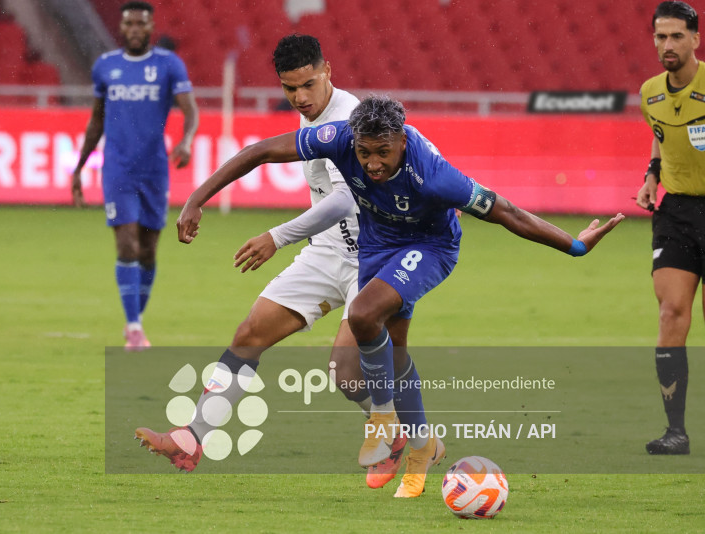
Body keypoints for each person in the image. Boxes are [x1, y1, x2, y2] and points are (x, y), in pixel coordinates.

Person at [170, 95, 623, 494]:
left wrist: (575, 245)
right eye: (364, 153)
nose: (372, 164)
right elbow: (260, 151)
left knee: (363, 313)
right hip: (379, 243)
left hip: (430, 246)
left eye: (383, 153)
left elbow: (508, 213)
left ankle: (384, 422)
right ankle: (423, 445)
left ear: (402, 141)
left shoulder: (436, 177)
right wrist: (196, 199)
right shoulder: (339, 138)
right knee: (384, 356)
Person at [136, 34, 418, 493]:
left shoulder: (350, 119)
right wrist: (196, 198)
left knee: (346, 374)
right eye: (290, 88)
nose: (300, 97)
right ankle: (191, 439)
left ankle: (395, 432)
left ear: (328, 70)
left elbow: (346, 200)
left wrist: (277, 236)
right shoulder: (312, 115)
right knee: (250, 333)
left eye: (308, 84)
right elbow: (258, 152)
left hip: (375, 260)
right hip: (328, 252)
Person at [71, 1, 199, 350]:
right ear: (122, 27)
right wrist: (80, 167)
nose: (135, 30)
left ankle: (135, 322)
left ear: (151, 26)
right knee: (126, 243)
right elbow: (97, 120)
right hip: (118, 169)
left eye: (141, 24)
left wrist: (187, 140)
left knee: (148, 251)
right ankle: (134, 328)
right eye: (129, 24)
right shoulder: (106, 66)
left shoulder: (168, 65)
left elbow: (190, 109)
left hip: (154, 169)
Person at [636, 0, 704, 455]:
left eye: (677, 35)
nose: (668, 45)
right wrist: (652, 176)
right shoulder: (650, 93)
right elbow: (661, 138)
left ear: (696, 38)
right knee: (671, 313)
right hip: (677, 211)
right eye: (661, 36)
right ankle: (675, 433)